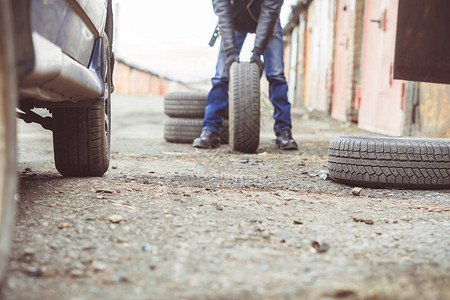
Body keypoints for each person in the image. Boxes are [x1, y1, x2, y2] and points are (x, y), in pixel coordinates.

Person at [193, 0, 298, 150]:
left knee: (276, 75)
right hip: (234, 21)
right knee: (221, 76)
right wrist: (230, 52)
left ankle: (283, 132)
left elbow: (269, 12)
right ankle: (210, 130)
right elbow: (222, 11)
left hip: (268, 20)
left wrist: (258, 52)